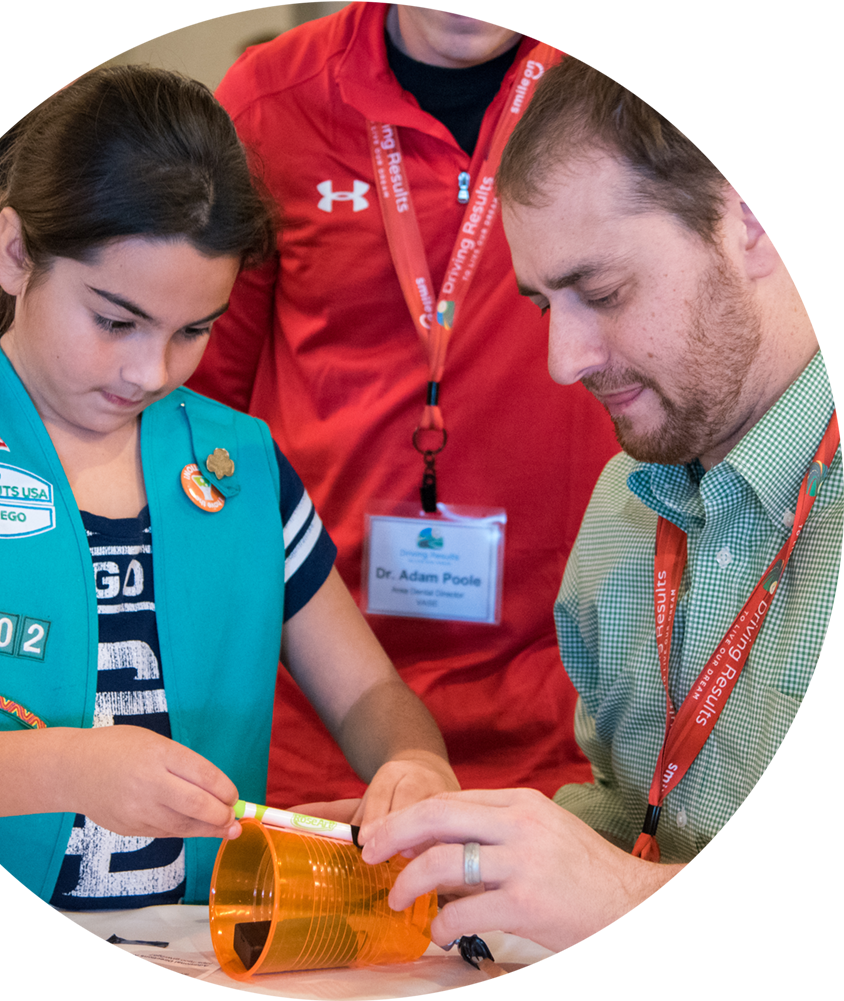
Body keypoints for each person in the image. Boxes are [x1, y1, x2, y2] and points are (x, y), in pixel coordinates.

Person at [0, 65, 458, 912]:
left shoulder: (240, 467)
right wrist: (68, 767)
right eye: (115, 320)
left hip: (187, 953)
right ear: (17, 253)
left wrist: (414, 763)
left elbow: (369, 694)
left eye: (192, 331)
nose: (150, 370)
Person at [359, 56, 840, 951]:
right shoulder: (626, 504)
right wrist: (472, 857)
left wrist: (631, 905)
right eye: (546, 305)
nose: (562, 360)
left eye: (604, 293)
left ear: (757, 222)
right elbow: (638, 807)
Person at [189, 0, 620, 808]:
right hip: (322, 713)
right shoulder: (269, 104)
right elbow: (200, 415)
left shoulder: (624, 82)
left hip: (570, 711)